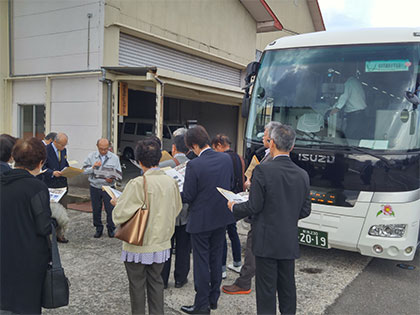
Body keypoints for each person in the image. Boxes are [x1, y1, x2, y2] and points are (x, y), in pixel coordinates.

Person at [228, 124, 311, 315]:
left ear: (271, 143)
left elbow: (254, 206)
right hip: (288, 240)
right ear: (292, 146)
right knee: (288, 287)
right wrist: (286, 215)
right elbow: (305, 210)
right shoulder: (302, 174)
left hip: (266, 240)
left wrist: (233, 206)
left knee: (266, 291)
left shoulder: (263, 170)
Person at [112, 139, 182, 315]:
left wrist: (116, 203)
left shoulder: (138, 183)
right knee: (156, 283)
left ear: (139, 161)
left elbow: (119, 215)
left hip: (138, 242)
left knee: (136, 286)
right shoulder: (170, 181)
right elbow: (177, 208)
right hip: (161, 243)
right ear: (159, 158)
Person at [180, 125, 235, 315]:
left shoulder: (194, 165)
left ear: (194, 145)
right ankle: (213, 299)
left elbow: (188, 195)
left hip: (201, 220)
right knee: (216, 258)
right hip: (221, 217)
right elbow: (229, 183)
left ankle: (201, 305)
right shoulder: (226, 158)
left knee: (201, 262)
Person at [222, 121, 281, 295]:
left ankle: (244, 282)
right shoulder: (265, 155)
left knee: (252, 248)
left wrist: (242, 197)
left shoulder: (271, 160)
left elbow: (264, 190)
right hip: (266, 213)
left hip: (262, 214)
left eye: (264, 134)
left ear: (272, 138)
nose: (262, 137)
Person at [0, 138, 52, 314]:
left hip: (4, 252)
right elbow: (43, 226)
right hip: (28, 257)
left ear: (14, 159)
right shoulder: (36, 188)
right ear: (40, 162)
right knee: (27, 305)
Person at [160, 135, 192, 289]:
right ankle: (180, 279)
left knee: (166, 246)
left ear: (173, 148)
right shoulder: (195, 165)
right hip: (187, 212)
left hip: (168, 213)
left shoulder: (164, 165)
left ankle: (163, 279)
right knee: (184, 247)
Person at [211, 134, 244, 278]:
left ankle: (222, 269)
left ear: (219, 145)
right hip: (236, 199)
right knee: (233, 231)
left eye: (214, 147)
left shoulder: (222, 159)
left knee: (221, 234)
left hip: (224, 199)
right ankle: (237, 262)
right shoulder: (239, 157)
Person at [83, 138, 122, 238]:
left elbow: (119, 174)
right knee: (96, 208)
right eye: (101, 149)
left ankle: (111, 228)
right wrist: (93, 167)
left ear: (109, 147)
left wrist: (113, 178)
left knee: (110, 209)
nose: (103, 151)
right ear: (97, 147)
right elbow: (83, 171)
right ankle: (98, 228)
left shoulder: (114, 158)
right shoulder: (91, 156)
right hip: (95, 186)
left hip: (108, 187)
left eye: (106, 149)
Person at [42, 132, 70, 243]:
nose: (63, 147)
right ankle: (49, 234)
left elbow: (65, 163)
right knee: (50, 210)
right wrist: (52, 172)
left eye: (65, 145)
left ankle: (60, 234)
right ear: (55, 142)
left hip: (62, 184)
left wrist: (67, 170)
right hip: (50, 184)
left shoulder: (63, 150)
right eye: (62, 145)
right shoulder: (45, 150)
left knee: (62, 210)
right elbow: (42, 167)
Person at [329, 73, 367, 139]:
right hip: (361, 114)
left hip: (355, 115)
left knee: (348, 137)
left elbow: (343, 99)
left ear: (343, 77)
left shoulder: (348, 84)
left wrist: (333, 111)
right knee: (358, 136)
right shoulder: (356, 82)